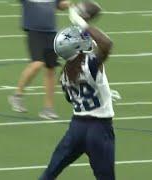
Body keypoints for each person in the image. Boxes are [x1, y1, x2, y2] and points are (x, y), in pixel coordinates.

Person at [39, 7, 120, 180]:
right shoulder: (89, 64)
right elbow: (106, 44)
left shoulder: (65, 75)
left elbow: (73, 97)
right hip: (99, 129)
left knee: (50, 173)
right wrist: (83, 24)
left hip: (76, 128)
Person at [8, 0, 70, 119]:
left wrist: (66, 4)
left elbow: (60, 5)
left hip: (51, 32)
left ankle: (48, 108)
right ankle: (17, 95)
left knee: (50, 70)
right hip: (34, 31)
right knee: (37, 63)